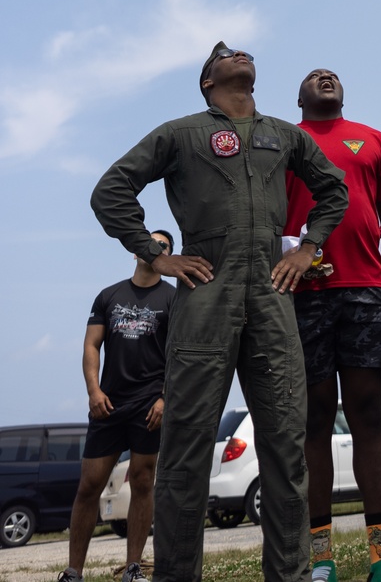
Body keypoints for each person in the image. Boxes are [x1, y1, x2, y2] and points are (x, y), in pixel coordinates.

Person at [90, 43, 349, 582]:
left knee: (285, 446)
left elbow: (334, 190)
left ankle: (291, 576)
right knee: (183, 450)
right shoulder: (181, 132)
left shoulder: (286, 134)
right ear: (208, 82)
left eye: (243, 50)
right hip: (206, 290)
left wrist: (309, 248)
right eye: (226, 54)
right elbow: (111, 190)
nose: (240, 52)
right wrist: (157, 254)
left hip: (272, 295)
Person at [284, 67, 381, 582]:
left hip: (365, 289)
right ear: (298, 99)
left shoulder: (374, 141)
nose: (324, 76)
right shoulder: (285, 142)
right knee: (314, 422)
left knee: (367, 415)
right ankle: (321, 560)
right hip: (300, 294)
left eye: (332, 75)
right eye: (313, 76)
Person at [58, 232, 176, 582]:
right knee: (89, 485)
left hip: (149, 405)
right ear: (137, 250)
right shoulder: (109, 296)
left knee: (142, 482)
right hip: (107, 404)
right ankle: (73, 571)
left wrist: (165, 398)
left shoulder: (174, 298)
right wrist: (93, 391)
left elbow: (179, 355)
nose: (155, 248)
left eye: (163, 245)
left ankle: (133, 568)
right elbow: (91, 345)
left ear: (170, 255)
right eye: (150, 242)